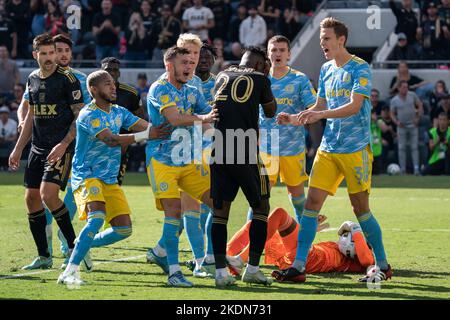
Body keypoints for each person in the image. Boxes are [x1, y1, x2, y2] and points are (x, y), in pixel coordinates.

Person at [274, 17, 392, 283]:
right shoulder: (326, 69)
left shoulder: (360, 67)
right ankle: (299, 266)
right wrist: (295, 118)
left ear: (341, 40)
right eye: (321, 39)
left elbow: (354, 106)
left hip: (355, 148)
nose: (322, 43)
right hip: (328, 148)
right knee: (311, 205)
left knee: (360, 208)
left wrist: (321, 114)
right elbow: (319, 106)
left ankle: (383, 264)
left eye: (326, 38)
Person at [57, 70, 169, 286]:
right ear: (93, 89)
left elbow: (144, 125)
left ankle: (81, 242)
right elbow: (111, 140)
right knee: (96, 219)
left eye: (113, 84)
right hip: (87, 175)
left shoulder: (119, 111)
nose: (113, 87)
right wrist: (147, 135)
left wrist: (168, 128)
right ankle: (69, 272)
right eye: (107, 84)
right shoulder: (89, 114)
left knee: (124, 229)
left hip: (109, 178)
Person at [8, 34, 84, 270]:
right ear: (35, 55)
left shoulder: (68, 79)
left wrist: (64, 144)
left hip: (61, 146)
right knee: (31, 199)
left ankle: (74, 248)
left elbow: (79, 114)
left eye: (52, 53)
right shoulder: (32, 79)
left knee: (48, 195)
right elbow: (31, 116)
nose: (50, 58)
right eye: (45, 54)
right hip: (37, 148)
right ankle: (44, 257)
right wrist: (18, 148)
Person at [146, 46, 218, 287]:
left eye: (191, 62)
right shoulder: (159, 88)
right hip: (162, 161)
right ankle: (174, 272)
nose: (190, 67)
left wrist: (221, 142)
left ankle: (213, 259)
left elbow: (210, 119)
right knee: (174, 213)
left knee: (218, 203)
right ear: (169, 66)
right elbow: (175, 118)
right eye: (184, 63)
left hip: (188, 161)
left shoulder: (192, 90)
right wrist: (204, 120)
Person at [210, 46, 277, 287]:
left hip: (218, 149)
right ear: (260, 65)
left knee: (220, 213)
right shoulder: (260, 77)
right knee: (261, 206)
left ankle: (220, 273)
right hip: (245, 148)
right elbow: (271, 112)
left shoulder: (222, 75)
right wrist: (265, 80)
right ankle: (253, 269)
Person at [255, 35, 316, 229]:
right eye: (273, 50)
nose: (277, 54)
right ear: (267, 54)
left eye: (282, 50)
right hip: (266, 146)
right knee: (259, 196)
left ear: (289, 54)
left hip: (293, 146)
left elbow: (313, 110)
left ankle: (303, 237)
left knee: (297, 194)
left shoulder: (299, 79)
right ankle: (250, 240)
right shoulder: (259, 79)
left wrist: (295, 119)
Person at [226, 208, 374, 275]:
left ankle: (241, 260)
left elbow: (367, 260)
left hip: (305, 257)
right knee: (257, 223)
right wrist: (311, 230)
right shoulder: (338, 249)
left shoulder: (357, 261)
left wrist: (353, 226)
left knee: (279, 214)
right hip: (297, 255)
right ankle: (225, 255)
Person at [100, 57, 144, 186]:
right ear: (101, 72)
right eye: (108, 70)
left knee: (114, 186)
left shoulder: (130, 93)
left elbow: (140, 121)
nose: (112, 73)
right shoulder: (91, 92)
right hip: (95, 148)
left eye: (115, 70)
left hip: (121, 149)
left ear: (119, 73)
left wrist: (127, 141)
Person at [390, 80, 424, 175]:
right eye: (404, 87)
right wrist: (396, 122)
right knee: (401, 148)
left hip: (413, 125)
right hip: (401, 126)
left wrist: (418, 118)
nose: (406, 89)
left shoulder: (412, 95)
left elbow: (420, 105)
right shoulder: (394, 100)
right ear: (399, 88)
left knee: (414, 147)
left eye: (406, 87)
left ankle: (416, 169)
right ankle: (403, 169)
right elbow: (392, 113)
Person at [0, 106, 17, 170]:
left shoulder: (13, 123)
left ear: (8, 114)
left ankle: (11, 166)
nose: (4, 115)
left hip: (8, 142)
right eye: (2, 113)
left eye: (5, 113)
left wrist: (6, 139)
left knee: (14, 144)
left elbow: (14, 137)